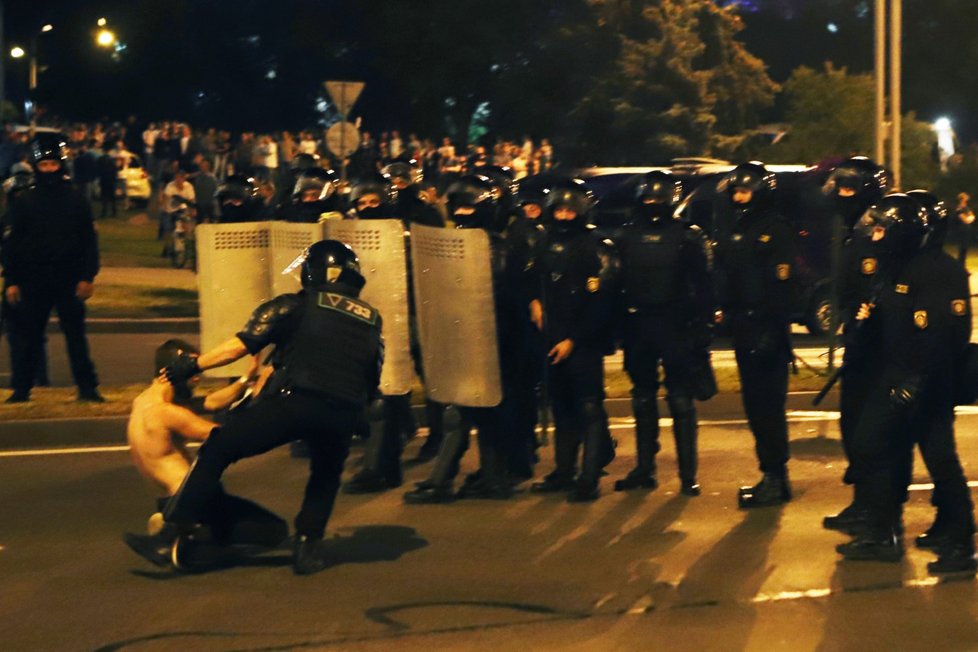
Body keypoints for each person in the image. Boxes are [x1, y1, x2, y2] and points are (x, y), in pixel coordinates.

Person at [124, 240, 384, 575]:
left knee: (220, 446)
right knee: (325, 475)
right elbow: (372, 375)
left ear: (313, 272)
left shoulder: (297, 305)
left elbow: (240, 346)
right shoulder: (370, 322)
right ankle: (308, 548)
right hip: (342, 413)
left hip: (296, 402)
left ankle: (170, 533)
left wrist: (194, 365)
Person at [836, 194, 975, 572]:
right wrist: (865, 322)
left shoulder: (940, 271)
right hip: (895, 376)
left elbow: (948, 333)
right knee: (870, 446)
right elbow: (889, 323)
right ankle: (885, 532)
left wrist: (916, 381)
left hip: (926, 382)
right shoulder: (896, 265)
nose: (877, 235)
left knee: (939, 457)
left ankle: (960, 541)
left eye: (884, 228)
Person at [129, 339, 287, 551]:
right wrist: (260, 398)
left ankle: (178, 529)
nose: (196, 376)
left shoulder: (144, 402)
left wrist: (246, 379)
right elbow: (225, 436)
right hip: (195, 500)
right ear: (169, 372)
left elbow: (211, 402)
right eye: (190, 371)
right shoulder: (167, 413)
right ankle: (191, 538)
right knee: (275, 530)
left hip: (168, 500)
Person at [613, 171, 715, 496]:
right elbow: (616, 283)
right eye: (648, 199)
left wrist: (701, 330)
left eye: (659, 199)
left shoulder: (689, 236)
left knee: (681, 400)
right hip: (640, 325)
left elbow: (704, 288)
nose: (653, 204)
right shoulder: (627, 236)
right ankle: (645, 468)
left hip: (676, 326)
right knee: (642, 399)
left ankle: (688, 475)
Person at [526, 179, 618, 502]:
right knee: (562, 409)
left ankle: (589, 477)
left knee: (589, 408)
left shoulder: (596, 246)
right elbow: (532, 278)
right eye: (559, 210)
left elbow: (602, 304)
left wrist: (574, 340)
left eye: (570, 211)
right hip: (551, 338)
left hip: (583, 343)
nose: (564, 216)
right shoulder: (544, 241)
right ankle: (563, 472)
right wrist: (533, 301)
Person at [712, 162, 795, 508]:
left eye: (745, 192)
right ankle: (770, 474)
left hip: (767, 330)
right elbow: (729, 275)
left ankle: (776, 477)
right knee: (754, 406)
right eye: (736, 192)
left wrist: (773, 331)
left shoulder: (775, 229)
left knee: (768, 407)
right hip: (744, 328)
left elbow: (780, 287)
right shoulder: (734, 227)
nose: (739, 197)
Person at [2, 138, 102, 403]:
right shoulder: (24, 202)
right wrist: (11, 280)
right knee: (29, 339)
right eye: (43, 164)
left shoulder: (76, 199)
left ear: (61, 165)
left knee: (76, 338)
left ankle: (87, 388)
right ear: (36, 166)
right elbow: (12, 245)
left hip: (69, 279)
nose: (48, 169)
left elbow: (89, 242)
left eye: (52, 164)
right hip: (33, 280)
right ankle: (22, 389)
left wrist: (87, 276)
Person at [822, 157, 890, 532]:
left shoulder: (879, 229)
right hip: (857, 344)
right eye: (840, 188)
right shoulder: (851, 229)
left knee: (871, 433)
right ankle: (862, 502)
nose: (842, 196)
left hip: (878, 349)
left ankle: (877, 514)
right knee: (852, 425)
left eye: (850, 189)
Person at [953, 192, 975, 263]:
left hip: (967, 229)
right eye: (965, 198)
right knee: (962, 247)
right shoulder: (959, 208)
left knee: (965, 248)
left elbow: (972, 216)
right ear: (961, 199)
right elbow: (964, 219)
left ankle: (963, 264)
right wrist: (969, 219)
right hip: (961, 230)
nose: (966, 199)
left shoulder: (967, 208)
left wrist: (969, 218)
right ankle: (960, 264)